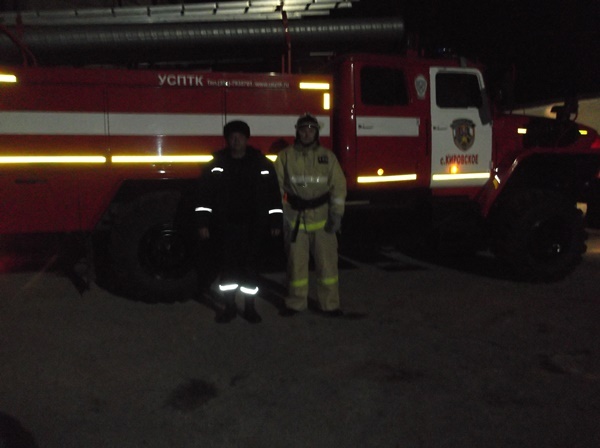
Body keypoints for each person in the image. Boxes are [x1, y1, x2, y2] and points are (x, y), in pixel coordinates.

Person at [194, 120, 283, 323]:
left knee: (250, 270)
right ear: (227, 140)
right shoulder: (216, 165)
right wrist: (202, 223)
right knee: (228, 270)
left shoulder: (261, 164)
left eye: (240, 137)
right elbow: (204, 197)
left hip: (253, 227)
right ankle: (230, 307)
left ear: (246, 139)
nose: (236, 141)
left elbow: (273, 196)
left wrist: (276, 221)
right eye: (232, 137)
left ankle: (250, 308)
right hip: (225, 227)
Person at [273, 113, 347, 317]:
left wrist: (337, 215)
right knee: (295, 266)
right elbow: (276, 187)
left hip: (323, 220)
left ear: (316, 133)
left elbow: (338, 186)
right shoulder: (285, 156)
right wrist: (280, 215)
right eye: (303, 130)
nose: (307, 133)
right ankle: (295, 303)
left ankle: (330, 305)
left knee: (327, 266)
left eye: (311, 130)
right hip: (294, 219)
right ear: (297, 132)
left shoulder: (328, 157)